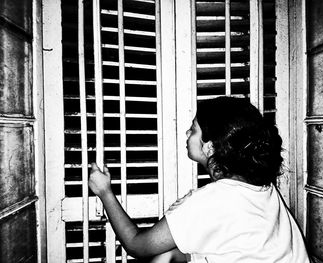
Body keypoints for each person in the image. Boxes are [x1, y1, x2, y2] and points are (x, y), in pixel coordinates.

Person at [89, 96, 310, 262]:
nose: (187, 133)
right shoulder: (263, 188)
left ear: (210, 146)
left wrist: (105, 192)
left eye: (193, 129)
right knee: (169, 254)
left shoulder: (213, 200)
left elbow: (137, 246)